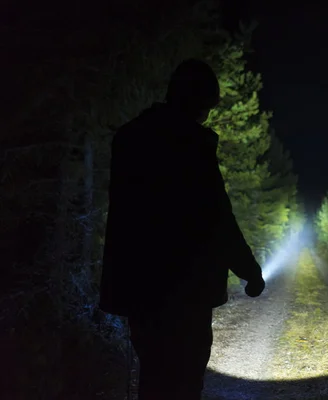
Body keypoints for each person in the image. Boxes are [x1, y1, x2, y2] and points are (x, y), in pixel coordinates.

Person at [99, 59, 265, 399]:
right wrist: (250, 271)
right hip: (186, 291)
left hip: (140, 287)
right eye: (206, 106)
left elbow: (121, 215)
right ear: (198, 101)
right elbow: (217, 218)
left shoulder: (129, 138)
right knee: (185, 381)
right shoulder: (191, 145)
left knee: (153, 378)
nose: (206, 114)